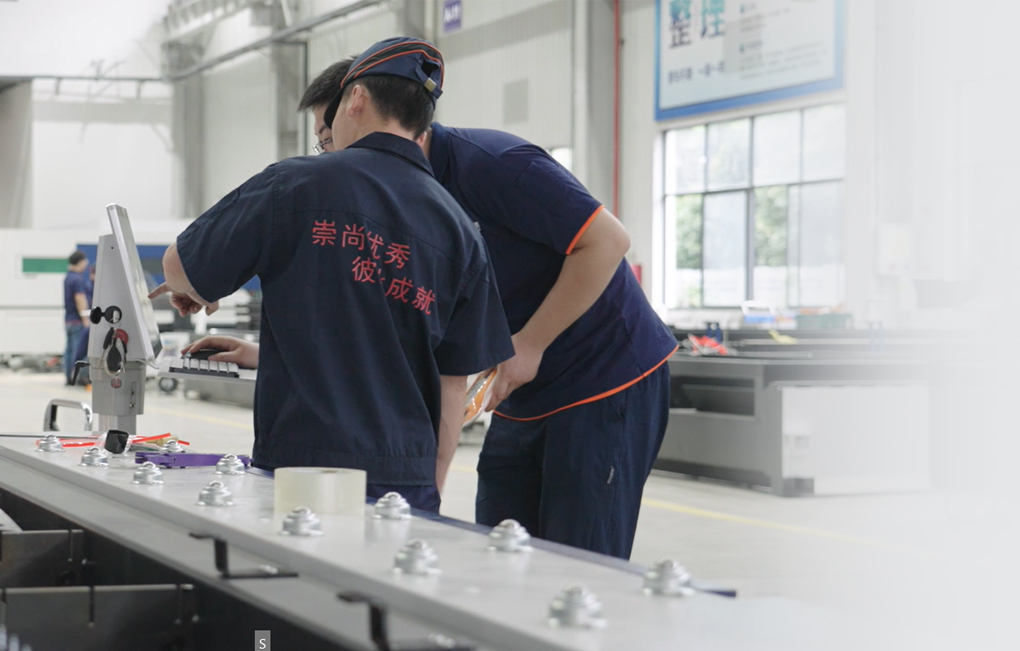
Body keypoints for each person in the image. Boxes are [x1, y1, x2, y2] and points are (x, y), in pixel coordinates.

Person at [302, 60, 679, 559]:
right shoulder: (395, 201)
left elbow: (608, 242)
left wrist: (531, 343)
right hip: (520, 386)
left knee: (579, 561)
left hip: (604, 377)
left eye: (328, 140)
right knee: (503, 549)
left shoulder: (492, 163)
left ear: (362, 107)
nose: (330, 158)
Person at [150, 38, 514, 514]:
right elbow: (452, 383)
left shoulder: (295, 184)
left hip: (304, 468)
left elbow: (178, 266)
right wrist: (429, 491)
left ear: (356, 98)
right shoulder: (460, 230)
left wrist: (195, 289)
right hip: (405, 481)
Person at [63, 251, 90, 385]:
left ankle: (69, 376)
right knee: (77, 350)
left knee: (69, 350)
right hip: (77, 320)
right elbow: (80, 299)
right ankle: (76, 376)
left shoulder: (68, 277)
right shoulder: (78, 279)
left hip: (68, 320)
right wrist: (85, 319)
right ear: (80, 262)